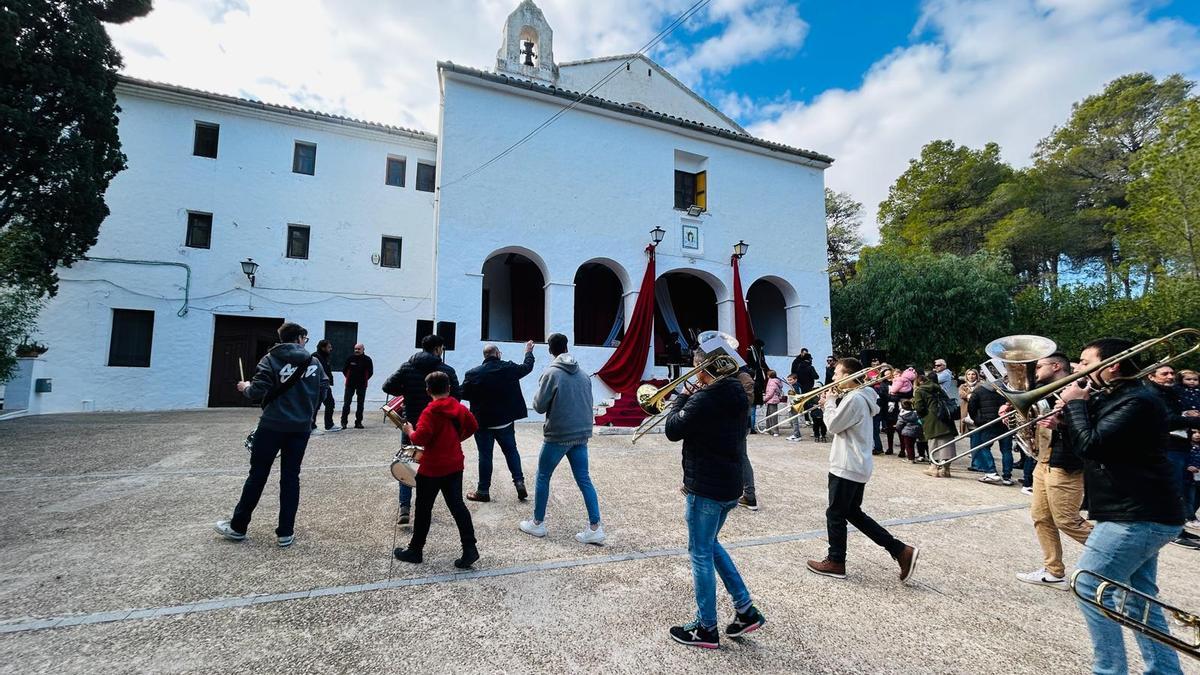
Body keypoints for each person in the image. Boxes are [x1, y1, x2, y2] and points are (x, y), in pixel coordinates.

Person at [1058, 338, 1185, 675]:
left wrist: (1074, 408)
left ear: (1112, 365)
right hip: (1134, 511)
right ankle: (1164, 671)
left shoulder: (1139, 401)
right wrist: (1062, 420)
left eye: (1085, 362)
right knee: (1137, 598)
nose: (1078, 369)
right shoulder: (1115, 397)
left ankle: (1109, 670)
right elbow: (1083, 448)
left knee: (1087, 584)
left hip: (1138, 514)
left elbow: (1093, 445)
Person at [663, 338, 765, 648]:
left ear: (706, 366)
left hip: (706, 488)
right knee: (711, 544)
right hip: (727, 485)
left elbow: (672, 430)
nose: (693, 374)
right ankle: (745, 609)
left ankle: (706, 628)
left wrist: (679, 398)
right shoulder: (735, 391)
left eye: (696, 367)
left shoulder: (705, 398)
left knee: (700, 554)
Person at [806, 357, 920, 582]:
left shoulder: (856, 398)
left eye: (837, 374)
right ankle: (900, 551)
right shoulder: (860, 397)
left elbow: (834, 426)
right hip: (856, 463)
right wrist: (832, 403)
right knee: (852, 513)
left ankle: (836, 561)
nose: (834, 378)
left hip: (846, 465)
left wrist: (829, 403)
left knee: (835, 514)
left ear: (849, 375)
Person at [214, 321, 326, 548]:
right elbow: (323, 390)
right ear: (299, 337)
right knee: (291, 477)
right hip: (300, 428)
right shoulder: (313, 362)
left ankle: (238, 526)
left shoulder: (270, 360)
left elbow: (257, 391)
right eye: (305, 338)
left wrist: (244, 386)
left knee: (257, 476)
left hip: (272, 425)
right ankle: (285, 532)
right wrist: (308, 413)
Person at [1013, 352, 1092, 589]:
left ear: (1056, 366)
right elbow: (1036, 422)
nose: (1035, 371)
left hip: (1066, 463)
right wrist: (1015, 416)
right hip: (1044, 459)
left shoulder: (1081, 388)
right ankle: (1053, 571)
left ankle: (1122, 559)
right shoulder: (1045, 391)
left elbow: (1088, 428)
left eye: (1039, 366)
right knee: (1041, 517)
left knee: (1067, 521)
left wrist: (1062, 424)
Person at [519, 333, 605, 544]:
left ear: (550, 349)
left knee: (543, 476)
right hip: (581, 435)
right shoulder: (584, 374)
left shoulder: (552, 373)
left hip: (558, 435)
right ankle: (595, 527)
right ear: (566, 347)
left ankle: (537, 523)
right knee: (584, 479)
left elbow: (539, 406)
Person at [393, 371, 480, 569]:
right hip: (455, 464)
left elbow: (420, 438)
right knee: (458, 507)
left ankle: (416, 549)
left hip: (431, 468)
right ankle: (469, 548)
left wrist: (409, 431)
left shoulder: (430, 412)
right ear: (449, 388)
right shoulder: (459, 407)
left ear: (428, 391)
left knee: (424, 509)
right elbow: (473, 425)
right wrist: (458, 438)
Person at [383, 334, 460, 525]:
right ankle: (424, 508)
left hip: (410, 423)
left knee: (407, 462)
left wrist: (407, 391)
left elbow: (387, 386)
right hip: (437, 426)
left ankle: (404, 507)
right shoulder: (446, 370)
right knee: (431, 465)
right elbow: (457, 397)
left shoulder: (407, 366)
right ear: (437, 349)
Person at [460, 341, 535, 502]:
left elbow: (464, 394)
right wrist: (528, 351)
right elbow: (527, 367)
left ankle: (483, 491)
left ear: (485, 356)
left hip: (483, 424)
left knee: (485, 456)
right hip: (505, 422)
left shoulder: (473, 373)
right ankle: (519, 482)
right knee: (511, 452)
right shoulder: (508, 367)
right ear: (498, 354)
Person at [1146, 364, 1200, 550]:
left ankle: (1177, 529)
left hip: (1179, 445)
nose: (1170, 376)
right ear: (1152, 377)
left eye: (1171, 373)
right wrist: (1194, 419)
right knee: (1172, 489)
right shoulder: (1154, 394)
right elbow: (1168, 421)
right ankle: (1173, 532)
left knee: (1178, 489)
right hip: (1168, 446)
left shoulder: (1172, 392)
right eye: (1164, 374)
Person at [969, 380, 1017, 485]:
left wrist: (977, 420)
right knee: (1006, 450)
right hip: (1005, 423)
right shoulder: (1007, 391)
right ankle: (1007, 477)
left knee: (984, 447)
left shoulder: (979, 391)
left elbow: (971, 407)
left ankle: (991, 472)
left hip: (987, 424)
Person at [913, 370, 956, 477]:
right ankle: (946, 469)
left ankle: (934, 468)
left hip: (931, 419)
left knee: (934, 443)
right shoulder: (939, 388)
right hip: (945, 417)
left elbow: (919, 408)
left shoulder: (920, 390)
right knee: (947, 442)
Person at [736, 364, 759, 509]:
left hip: (738, 422)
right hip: (734, 421)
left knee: (741, 456)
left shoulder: (743, 377)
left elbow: (746, 400)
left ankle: (750, 495)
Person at [340, 343, 374, 429]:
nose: (357, 350)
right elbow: (344, 370)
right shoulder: (350, 358)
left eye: (359, 349)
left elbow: (370, 372)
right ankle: (344, 422)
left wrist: (364, 379)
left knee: (360, 404)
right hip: (350, 384)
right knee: (347, 404)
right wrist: (349, 378)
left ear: (363, 349)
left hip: (362, 385)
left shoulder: (367, 360)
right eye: (355, 349)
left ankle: (358, 422)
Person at [312, 339, 339, 432]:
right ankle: (311, 426)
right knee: (316, 406)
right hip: (318, 386)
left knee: (330, 403)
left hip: (325, 385)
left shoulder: (325, 357)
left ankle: (329, 425)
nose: (331, 349)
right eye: (329, 347)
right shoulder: (315, 357)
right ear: (323, 348)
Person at [762, 369, 786, 437]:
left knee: (772, 416)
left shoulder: (772, 382)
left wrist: (764, 399)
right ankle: (769, 429)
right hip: (773, 400)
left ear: (769, 375)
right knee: (770, 415)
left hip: (772, 400)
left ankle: (775, 431)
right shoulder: (775, 381)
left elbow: (770, 393)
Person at [957, 368, 979, 436]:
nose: (971, 376)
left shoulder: (981, 385)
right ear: (966, 376)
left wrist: (970, 395)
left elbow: (980, 395)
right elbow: (961, 394)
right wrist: (969, 395)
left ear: (976, 375)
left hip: (977, 410)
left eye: (973, 374)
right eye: (968, 374)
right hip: (966, 410)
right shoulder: (963, 386)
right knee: (968, 430)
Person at [784, 373, 804, 442]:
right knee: (792, 421)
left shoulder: (796, 387)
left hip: (794, 406)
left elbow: (797, 397)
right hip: (792, 405)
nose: (789, 381)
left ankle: (797, 435)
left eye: (791, 380)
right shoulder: (793, 386)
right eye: (788, 380)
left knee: (794, 421)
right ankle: (796, 434)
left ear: (795, 380)